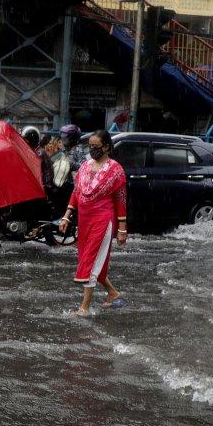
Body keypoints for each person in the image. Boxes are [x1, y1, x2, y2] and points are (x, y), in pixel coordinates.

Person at [59, 130, 128, 315]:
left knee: (91, 260)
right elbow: (76, 192)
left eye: (96, 147)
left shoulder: (115, 170)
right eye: (90, 146)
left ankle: (84, 307)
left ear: (106, 147)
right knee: (90, 258)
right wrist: (66, 215)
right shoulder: (85, 166)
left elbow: (121, 200)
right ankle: (113, 293)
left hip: (103, 220)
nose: (92, 150)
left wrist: (122, 229)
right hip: (85, 220)